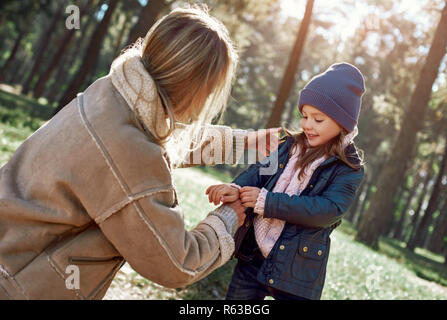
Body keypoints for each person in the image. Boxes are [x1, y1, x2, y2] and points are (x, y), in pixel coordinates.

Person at [0, 6, 280, 300]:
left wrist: (247, 143)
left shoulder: (112, 94)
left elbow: (158, 142)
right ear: (194, 87)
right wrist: (227, 219)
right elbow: (176, 264)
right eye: (210, 91)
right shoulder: (130, 152)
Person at [206, 62, 366, 300]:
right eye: (304, 116)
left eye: (318, 119)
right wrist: (236, 188)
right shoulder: (289, 146)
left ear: (343, 122)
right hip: (253, 256)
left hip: (296, 271)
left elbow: (327, 210)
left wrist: (268, 202)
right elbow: (259, 172)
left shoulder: (347, 168)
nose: (307, 125)